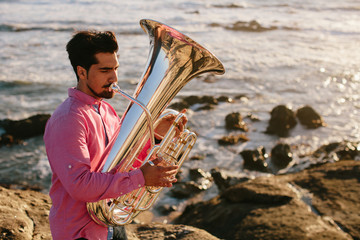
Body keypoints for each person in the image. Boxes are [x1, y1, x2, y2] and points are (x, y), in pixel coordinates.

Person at [44, 30, 185, 240]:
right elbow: (80, 185)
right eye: (105, 70)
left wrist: (155, 136)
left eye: (115, 68)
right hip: (81, 232)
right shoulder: (68, 119)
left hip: (111, 220)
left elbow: (122, 164)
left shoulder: (106, 111)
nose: (114, 77)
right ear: (82, 72)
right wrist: (142, 178)